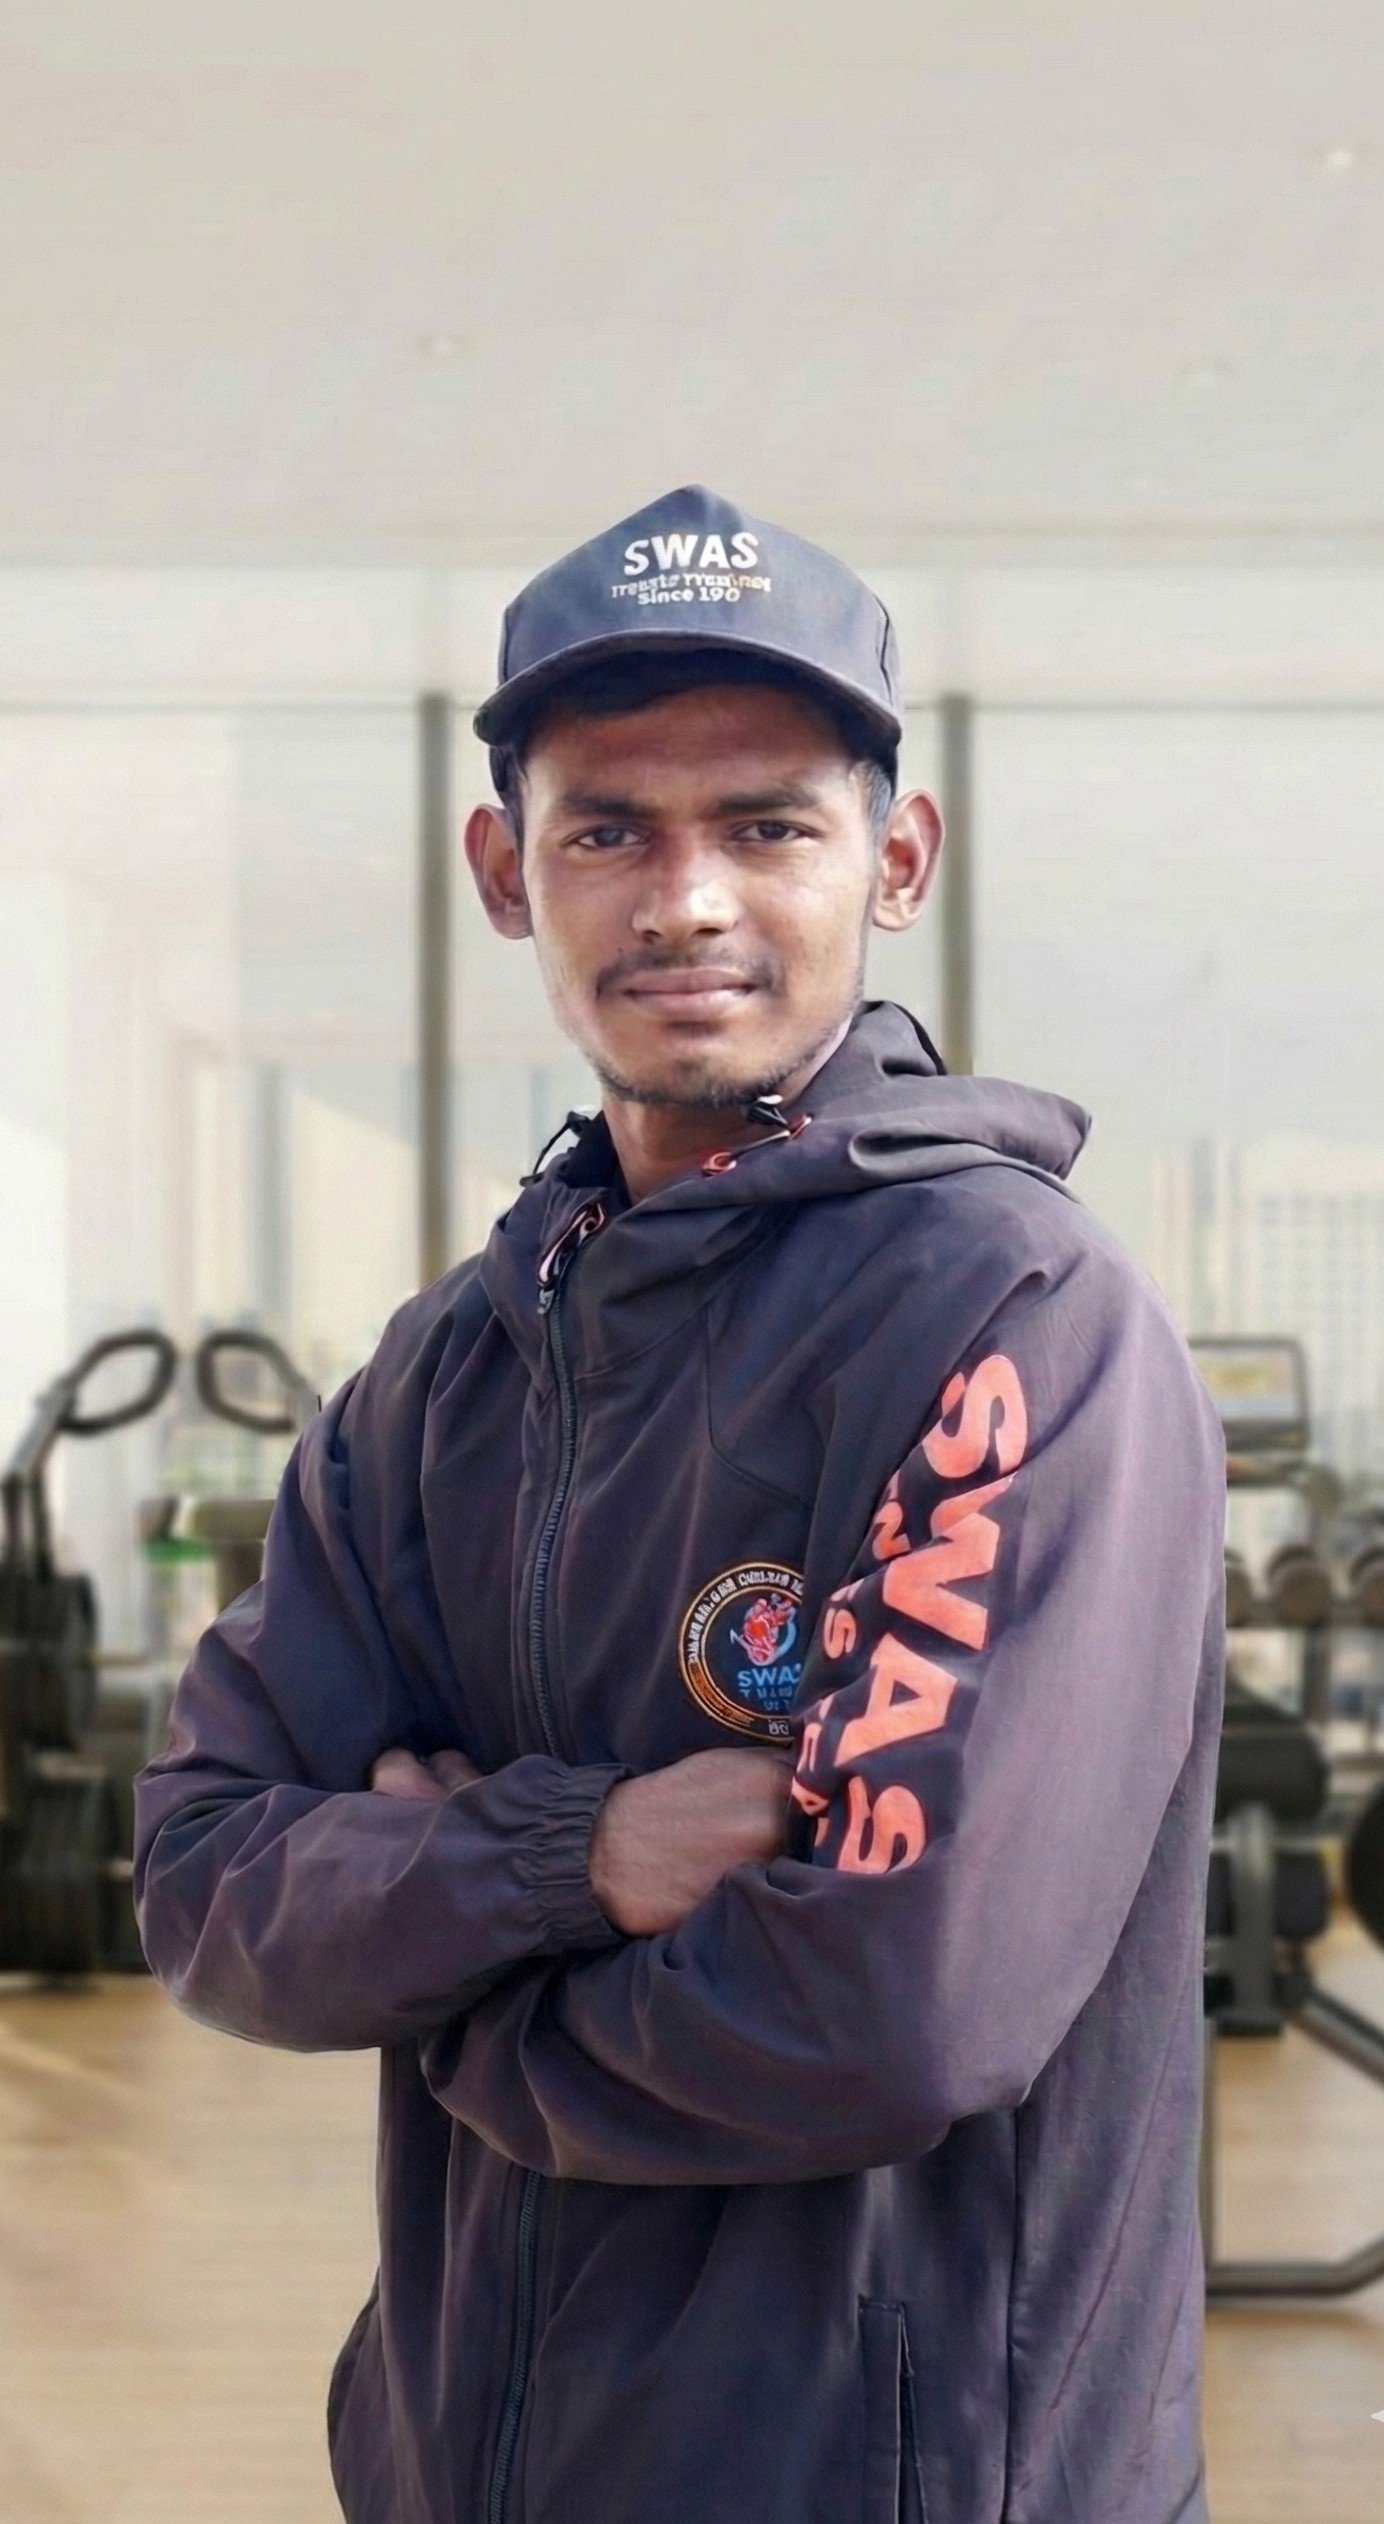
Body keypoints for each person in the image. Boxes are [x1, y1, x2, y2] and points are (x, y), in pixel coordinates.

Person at [135, 486, 1225, 2524]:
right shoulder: (439, 1381)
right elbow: (202, 1881)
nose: (686, 899)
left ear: (895, 857)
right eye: (608, 831)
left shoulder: (1011, 1317)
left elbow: (896, 2009)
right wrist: (573, 1859)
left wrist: (456, 1999)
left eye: (767, 825)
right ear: (505, 872)